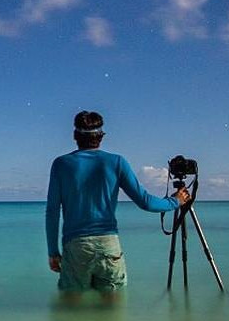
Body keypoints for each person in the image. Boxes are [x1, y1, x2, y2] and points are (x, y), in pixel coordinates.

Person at [46, 110, 189, 300]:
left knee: (70, 310)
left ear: (75, 136)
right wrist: (176, 201)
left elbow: (52, 211)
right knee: (112, 312)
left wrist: (53, 252)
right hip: (108, 245)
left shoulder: (61, 164)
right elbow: (145, 202)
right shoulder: (116, 162)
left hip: (76, 246)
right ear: (101, 137)